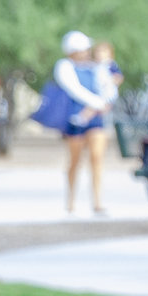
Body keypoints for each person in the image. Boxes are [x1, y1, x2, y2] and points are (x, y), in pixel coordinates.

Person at [49, 31, 112, 215]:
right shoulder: (64, 66)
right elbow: (75, 89)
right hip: (74, 119)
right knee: (75, 160)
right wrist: (98, 104)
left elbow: (107, 87)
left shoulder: (96, 67)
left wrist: (101, 104)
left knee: (97, 157)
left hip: (96, 119)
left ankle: (97, 200)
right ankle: (71, 199)